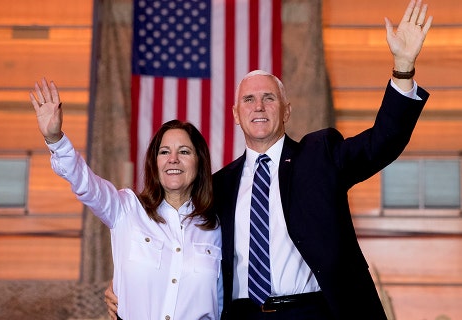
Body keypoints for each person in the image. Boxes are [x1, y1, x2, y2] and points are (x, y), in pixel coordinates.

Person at [106, 0, 432, 318]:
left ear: (286, 110)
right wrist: (126, 283)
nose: (258, 106)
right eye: (248, 100)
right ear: (236, 114)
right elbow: (176, 239)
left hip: (311, 311)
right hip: (243, 314)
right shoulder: (217, 186)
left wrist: (403, 68)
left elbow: (381, 143)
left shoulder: (320, 155)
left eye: (268, 98)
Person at [30, 79, 222, 320]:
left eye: (184, 151)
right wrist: (56, 140)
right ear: (155, 163)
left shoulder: (216, 226)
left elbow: (224, 299)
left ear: (199, 162)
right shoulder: (126, 208)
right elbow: (86, 184)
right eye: (164, 152)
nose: (173, 159)